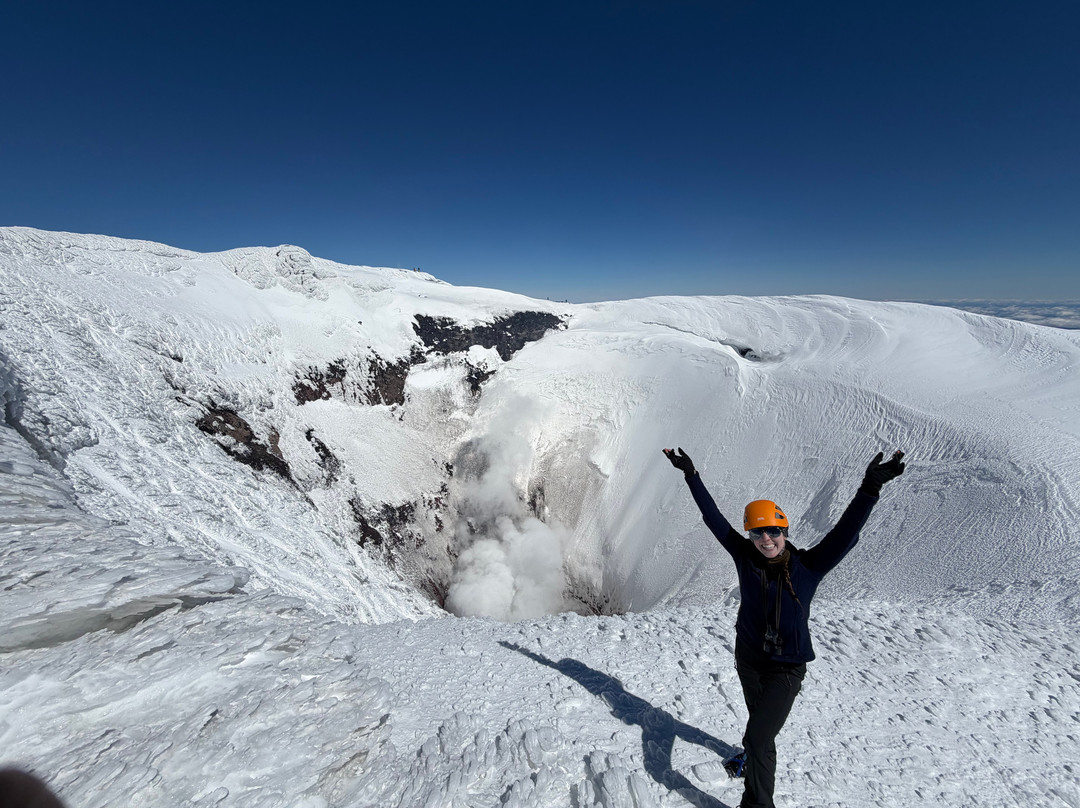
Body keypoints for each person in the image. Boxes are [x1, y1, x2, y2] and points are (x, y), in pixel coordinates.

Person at [662, 447, 906, 808]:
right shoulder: (745, 557)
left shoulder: (810, 566)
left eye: (773, 531)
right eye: (758, 533)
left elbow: (844, 532)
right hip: (748, 659)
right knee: (761, 734)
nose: (766, 539)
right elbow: (712, 517)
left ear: (784, 531)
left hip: (786, 668)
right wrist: (691, 474)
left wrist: (869, 488)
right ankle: (755, 766)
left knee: (758, 737)